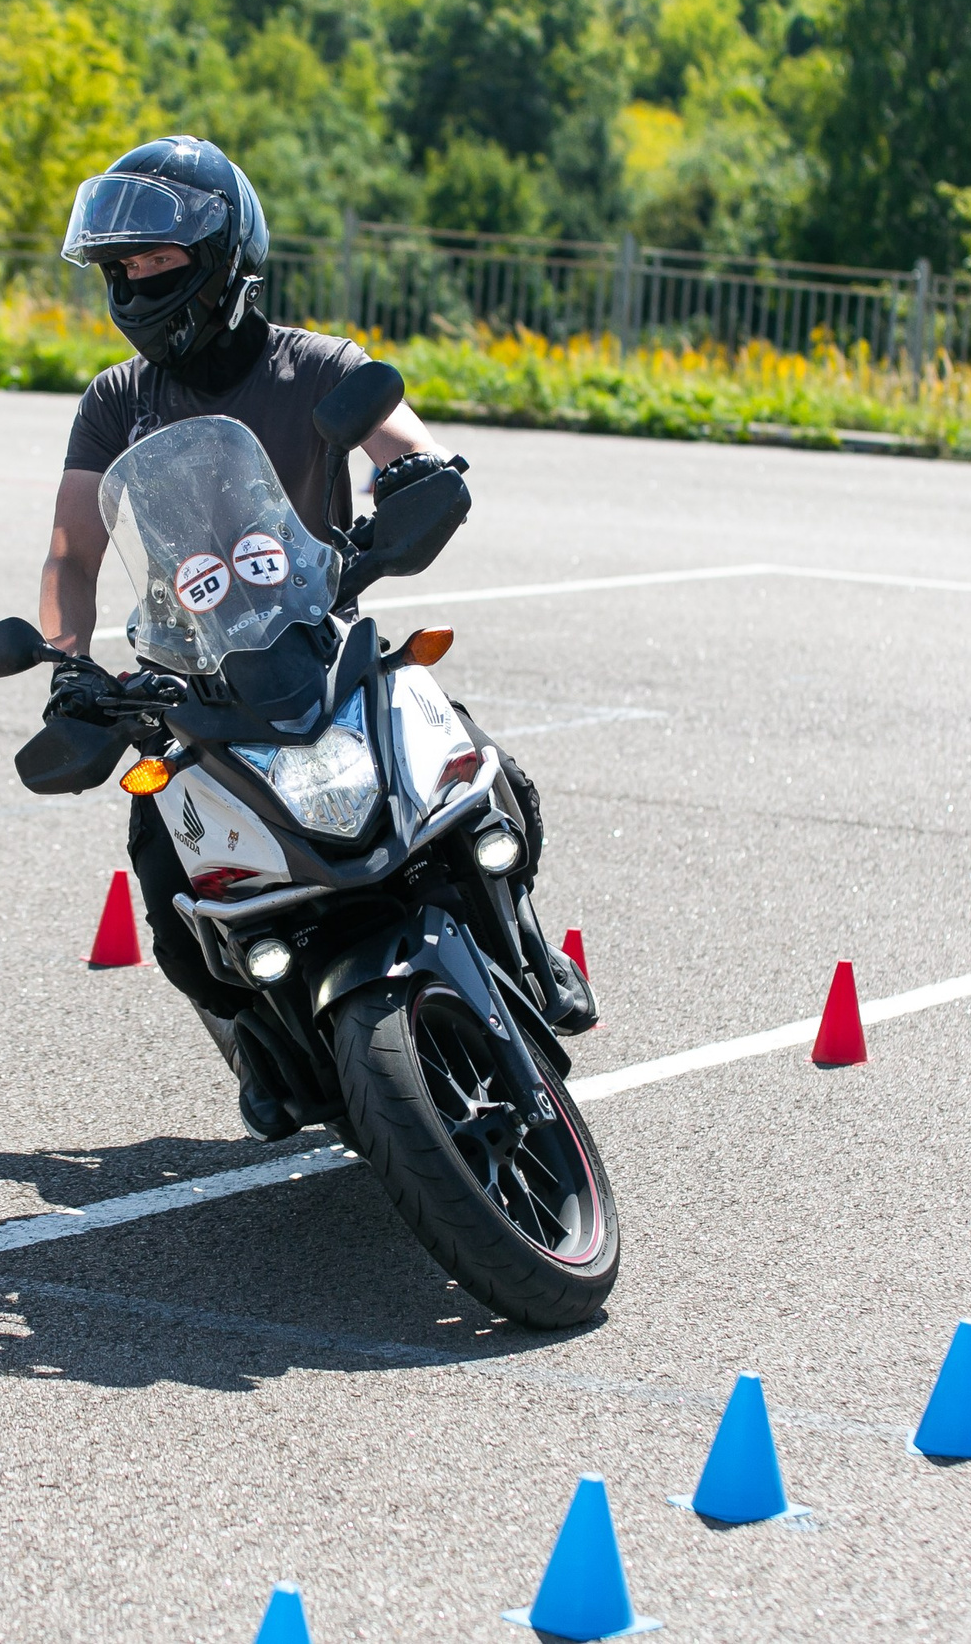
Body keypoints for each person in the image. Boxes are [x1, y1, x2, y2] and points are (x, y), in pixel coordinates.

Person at [39, 135, 581, 1137]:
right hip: (195, 683)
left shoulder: (313, 364)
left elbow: (398, 437)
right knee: (169, 893)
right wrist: (71, 669)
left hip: (319, 641)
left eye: (153, 261)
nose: (131, 282)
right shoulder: (116, 402)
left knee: (485, 771)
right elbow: (73, 553)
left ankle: (528, 945)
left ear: (221, 255)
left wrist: (416, 477)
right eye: (118, 268)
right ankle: (258, 1041)